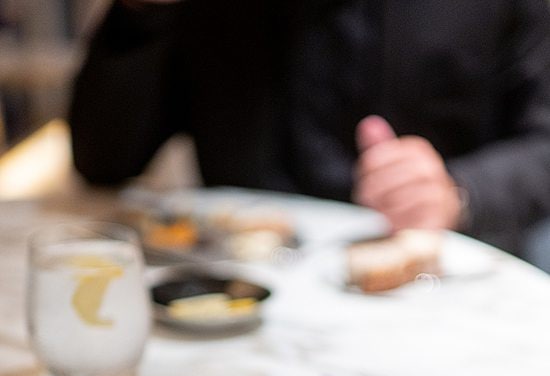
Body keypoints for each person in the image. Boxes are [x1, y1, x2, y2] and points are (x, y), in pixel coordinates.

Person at [70, 0, 550, 256]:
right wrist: (143, 9)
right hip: (239, 291)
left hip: (430, 284)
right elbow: (102, 159)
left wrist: (459, 192)